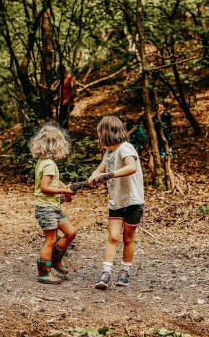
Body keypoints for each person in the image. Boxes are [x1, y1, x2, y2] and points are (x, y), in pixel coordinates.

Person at [88, 116, 144, 289]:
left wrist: (109, 175)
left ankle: (124, 271)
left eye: (100, 134)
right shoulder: (109, 153)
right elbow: (100, 169)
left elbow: (131, 167)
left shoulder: (126, 148)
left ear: (108, 134)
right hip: (116, 202)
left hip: (133, 201)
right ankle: (106, 272)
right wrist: (94, 176)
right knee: (113, 237)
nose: (99, 138)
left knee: (128, 238)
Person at [29, 124, 78, 284]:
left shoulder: (45, 162)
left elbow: (54, 181)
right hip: (46, 209)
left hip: (54, 208)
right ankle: (43, 273)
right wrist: (62, 192)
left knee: (71, 232)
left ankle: (55, 260)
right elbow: (45, 187)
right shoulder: (48, 164)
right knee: (50, 240)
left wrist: (66, 188)